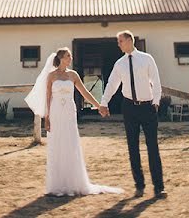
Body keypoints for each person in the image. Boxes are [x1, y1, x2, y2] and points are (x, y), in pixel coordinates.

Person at [24, 47, 123, 196]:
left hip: (69, 112)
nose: (70, 58)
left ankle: (74, 182)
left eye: (70, 56)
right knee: (57, 145)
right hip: (56, 112)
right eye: (67, 56)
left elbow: (85, 93)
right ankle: (57, 184)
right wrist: (47, 118)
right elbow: (48, 97)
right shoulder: (51, 76)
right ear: (61, 58)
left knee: (71, 143)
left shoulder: (73, 75)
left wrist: (99, 106)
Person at [98, 30, 166, 198]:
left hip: (148, 107)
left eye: (120, 41)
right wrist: (104, 102)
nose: (118, 44)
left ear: (129, 40)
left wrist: (156, 101)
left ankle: (159, 187)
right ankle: (139, 185)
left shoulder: (147, 59)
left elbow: (156, 81)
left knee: (152, 147)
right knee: (133, 147)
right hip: (129, 108)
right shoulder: (119, 64)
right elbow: (112, 84)